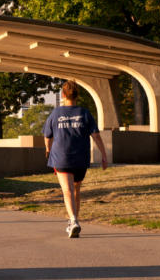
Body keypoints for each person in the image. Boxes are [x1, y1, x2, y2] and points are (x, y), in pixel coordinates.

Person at [43, 80, 108, 238]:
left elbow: (47, 135)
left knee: (67, 190)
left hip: (61, 157)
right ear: (77, 95)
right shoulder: (85, 113)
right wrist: (104, 155)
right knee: (76, 189)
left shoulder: (56, 113)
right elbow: (96, 135)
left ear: (63, 95)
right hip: (81, 158)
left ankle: (73, 220)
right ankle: (75, 220)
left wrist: (48, 149)